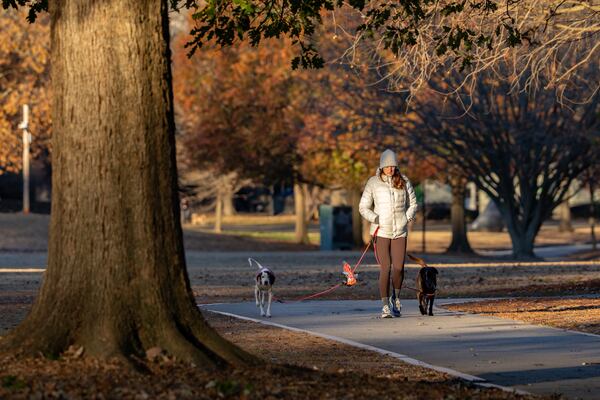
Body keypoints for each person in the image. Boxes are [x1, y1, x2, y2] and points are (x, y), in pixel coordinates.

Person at [359, 149, 418, 318]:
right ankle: (385, 305)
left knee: (399, 267)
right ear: (381, 166)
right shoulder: (373, 182)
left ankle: (396, 299)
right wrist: (375, 218)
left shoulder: (404, 180)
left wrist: (407, 217)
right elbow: (363, 207)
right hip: (381, 231)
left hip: (400, 231)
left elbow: (413, 203)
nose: (390, 169)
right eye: (387, 166)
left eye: (393, 166)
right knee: (385, 268)